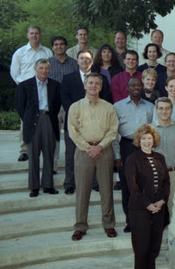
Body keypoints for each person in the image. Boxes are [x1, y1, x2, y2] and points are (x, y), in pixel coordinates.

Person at [68, 73, 119, 241]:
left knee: (106, 190)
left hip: (104, 151)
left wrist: (100, 146)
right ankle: (80, 225)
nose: (93, 86)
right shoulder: (75, 107)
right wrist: (87, 147)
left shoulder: (109, 107)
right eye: (90, 83)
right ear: (85, 85)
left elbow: (113, 130)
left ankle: (109, 224)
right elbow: (73, 130)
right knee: (82, 190)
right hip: (84, 152)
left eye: (97, 83)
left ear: (101, 87)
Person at [61, 50, 112, 195]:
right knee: (72, 154)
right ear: (77, 61)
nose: (85, 61)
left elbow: (107, 97)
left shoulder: (100, 78)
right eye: (82, 58)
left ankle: (95, 182)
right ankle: (70, 183)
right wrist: (76, 115)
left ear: (92, 61)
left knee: (96, 155)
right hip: (75, 124)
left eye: (87, 59)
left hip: (97, 125)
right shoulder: (68, 78)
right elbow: (64, 98)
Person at [125, 124, 170, 269]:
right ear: (138, 140)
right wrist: (148, 205)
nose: (146, 141)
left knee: (154, 248)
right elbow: (133, 187)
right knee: (141, 249)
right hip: (139, 210)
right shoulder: (132, 159)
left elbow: (166, 183)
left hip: (159, 209)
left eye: (149, 138)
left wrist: (162, 201)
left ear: (154, 140)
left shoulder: (160, 158)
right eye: (143, 138)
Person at [113, 77, 155, 233]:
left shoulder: (150, 107)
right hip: (126, 147)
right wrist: (117, 155)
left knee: (147, 184)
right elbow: (114, 133)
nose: (136, 87)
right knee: (128, 185)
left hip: (145, 146)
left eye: (138, 85)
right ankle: (130, 220)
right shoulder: (118, 107)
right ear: (128, 88)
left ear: (142, 87)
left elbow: (154, 130)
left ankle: (147, 219)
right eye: (133, 85)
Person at [15, 59, 61, 197]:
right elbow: (19, 106)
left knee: (49, 154)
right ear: (35, 69)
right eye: (41, 68)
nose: (44, 71)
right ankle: (34, 187)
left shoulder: (55, 85)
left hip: (48, 119)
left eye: (46, 68)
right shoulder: (25, 85)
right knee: (33, 155)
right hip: (33, 121)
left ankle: (48, 185)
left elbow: (57, 104)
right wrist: (28, 119)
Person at [11, 25, 53, 162]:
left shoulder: (47, 52)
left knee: (44, 120)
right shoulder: (20, 53)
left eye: (36, 33)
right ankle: (24, 150)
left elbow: (50, 70)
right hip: (27, 91)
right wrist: (23, 87)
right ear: (27, 35)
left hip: (43, 88)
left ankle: (43, 149)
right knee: (26, 120)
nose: (34, 36)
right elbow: (14, 72)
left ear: (40, 35)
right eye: (32, 33)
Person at [47, 36, 77, 173]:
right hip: (53, 104)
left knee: (72, 136)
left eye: (61, 44)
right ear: (52, 47)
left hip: (70, 103)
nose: (59, 47)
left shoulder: (74, 63)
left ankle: (73, 165)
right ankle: (52, 166)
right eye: (56, 45)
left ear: (66, 46)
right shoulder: (47, 64)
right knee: (53, 136)